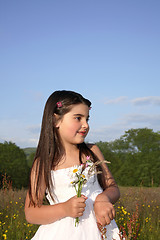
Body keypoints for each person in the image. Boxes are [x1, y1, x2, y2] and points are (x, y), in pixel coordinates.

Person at [25, 90, 121, 240]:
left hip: (100, 230)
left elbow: (113, 187)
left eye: (87, 119)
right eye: (78, 118)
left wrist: (104, 199)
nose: (85, 125)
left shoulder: (91, 151)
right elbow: (31, 213)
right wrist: (64, 209)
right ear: (56, 120)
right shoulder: (43, 164)